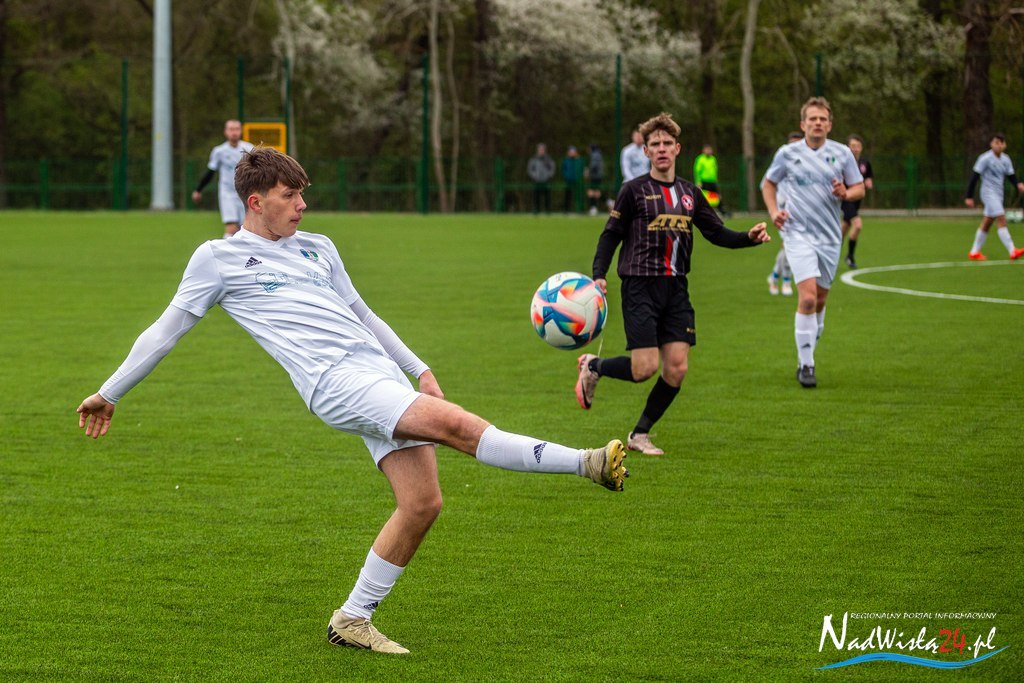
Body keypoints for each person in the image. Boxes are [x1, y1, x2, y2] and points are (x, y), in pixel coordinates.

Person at [77, 147, 629, 655]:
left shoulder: (319, 247)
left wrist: (419, 369)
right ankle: (587, 463)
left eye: (302, 193)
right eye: (290, 196)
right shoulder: (218, 258)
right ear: (256, 202)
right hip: (334, 382)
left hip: (379, 374)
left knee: (422, 504)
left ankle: (352, 619)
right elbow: (164, 332)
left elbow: (364, 314)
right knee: (459, 427)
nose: (302, 204)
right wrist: (108, 392)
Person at [574, 113, 770, 456]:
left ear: (677, 149)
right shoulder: (633, 191)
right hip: (640, 287)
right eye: (655, 144)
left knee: (677, 368)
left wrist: (748, 238)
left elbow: (717, 233)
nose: (662, 149)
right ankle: (594, 366)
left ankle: (639, 434)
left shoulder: (690, 193)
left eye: (667, 143)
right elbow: (611, 235)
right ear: (646, 151)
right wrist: (599, 273)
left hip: (676, 289)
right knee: (644, 369)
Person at [761, 97, 864, 389]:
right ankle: (807, 365)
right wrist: (774, 212)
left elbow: (859, 188)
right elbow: (768, 184)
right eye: (812, 119)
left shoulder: (842, 153)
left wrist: (846, 193)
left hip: (830, 236)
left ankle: (804, 357)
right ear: (803, 123)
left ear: (829, 125)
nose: (817, 123)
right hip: (797, 234)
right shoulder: (787, 153)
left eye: (822, 119)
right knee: (806, 298)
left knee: (819, 301)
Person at [964, 132, 1024, 261]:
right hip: (988, 193)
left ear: (1005, 145)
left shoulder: (1006, 159)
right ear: (991, 144)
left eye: (1002, 142)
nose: (999, 145)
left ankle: (974, 252)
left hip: (998, 194)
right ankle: (1012, 250)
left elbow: (1011, 176)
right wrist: (969, 196)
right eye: (997, 142)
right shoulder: (985, 158)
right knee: (1001, 218)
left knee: (987, 222)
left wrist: (1018, 185)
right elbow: (974, 177)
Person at [192, 119, 255, 238]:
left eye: (236, 129)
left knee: (245, 229)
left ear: (241, 131)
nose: (234, 132)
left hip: (245, 193)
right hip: (227, 193)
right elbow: (211, 172)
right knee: (231, 227)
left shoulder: (249, 149)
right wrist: (198, 190)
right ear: (225, 132)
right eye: (231, 129)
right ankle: (226, 250)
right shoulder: (219, 151)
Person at [766, 131, 804, 296]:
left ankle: (774, 277)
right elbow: (767, 184)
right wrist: (774, 210)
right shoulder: (781, 161)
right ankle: (786, 281)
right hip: (783, 213)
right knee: (790, 247)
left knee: (790, 248)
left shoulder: (806, 164)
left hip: (800, 213)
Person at [840, 134, 874, 268]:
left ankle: (832, 251)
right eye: (853, 146)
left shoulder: (865, 163)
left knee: (844, 227)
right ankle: (850, 256)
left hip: (857, 200)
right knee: (857, 225)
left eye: (858, 146)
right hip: (846, 198)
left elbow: (868, 177)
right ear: (847, 147)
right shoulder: (842, 163)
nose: (855, 149)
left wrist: (868, 182)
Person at [693, 143, 727, 216]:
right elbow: (697, 171)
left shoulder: (713, 159)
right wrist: (698, 181)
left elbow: (715, 170)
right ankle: (699, 212)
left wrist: (716, 180)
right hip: (704, 181)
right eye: (707, 149)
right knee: (702, 197)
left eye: (709, 149)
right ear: (703, 150)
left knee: (718, 196)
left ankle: (723, 212)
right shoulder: (700, 159)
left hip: (712, 181)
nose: (708, 151)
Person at [527, 143, 556, 214]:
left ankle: (547, 210)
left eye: (542, 149)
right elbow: (530, 169)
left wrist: (549, 175)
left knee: (547, 196)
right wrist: (534, 176)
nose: (541, 151)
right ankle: (536, 209)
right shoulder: (533, 159)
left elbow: (552, 168)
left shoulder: (548, 159)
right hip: (537, 180)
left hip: (546, 180)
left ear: (545, 150)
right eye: (540, 149)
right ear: (537, 150)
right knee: (536, 196)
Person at [585, 144, 606, 216]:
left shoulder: (595, 155)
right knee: (596, 192)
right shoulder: (598, 154)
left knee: (592, 192)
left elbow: (593, 165)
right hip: (598, 176)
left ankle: (593, 208)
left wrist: (588, 171)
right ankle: (608, 202)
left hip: (595, 176)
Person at [561, 146, 582, 212]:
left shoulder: (579, 160)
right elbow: (563, 170)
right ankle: (567, 210)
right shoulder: (566, 161)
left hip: (577, 180)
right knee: (568, 195)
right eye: (571, 152)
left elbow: (581, 169)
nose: (572, 153)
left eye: (573, 152)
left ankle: (579, 209)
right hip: (568, 180)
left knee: (578, 195)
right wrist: (566, 176)